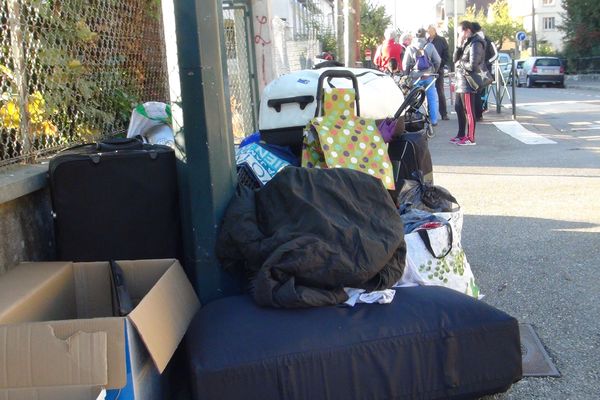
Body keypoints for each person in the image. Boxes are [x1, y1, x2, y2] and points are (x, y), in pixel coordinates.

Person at [451, 21, 485, 146]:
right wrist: (458, 46)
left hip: (468, 82)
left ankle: (471, 138)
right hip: (461, 81)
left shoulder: (476, 43)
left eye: (460, 32)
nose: (459, 34)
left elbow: (473, 65)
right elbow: (454, 59)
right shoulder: (466, 42)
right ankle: (461, 135)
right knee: (459, 108)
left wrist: (460, 64)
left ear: (467, 30)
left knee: (469, 111)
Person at [402, 28, 441, 126]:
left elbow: (405, 64)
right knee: (432, 98)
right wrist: (433, 71)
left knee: (415, 98)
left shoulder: (410, 48)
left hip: (415, 77)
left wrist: (407, 76)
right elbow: (438, 60)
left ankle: (416, 119)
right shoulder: (430, 46)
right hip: (428, 76)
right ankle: (434, 120)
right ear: (425, 35)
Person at [427, 25, 450, 120]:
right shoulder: (426, 41)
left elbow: (446, 54)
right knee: (428, 92)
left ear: (434, 31)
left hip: (439, 69)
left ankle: (444, 113)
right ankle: (430, 114)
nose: (429, 33)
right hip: (428, 70)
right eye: (428, 31)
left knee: (440, 91)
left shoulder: (441, 40)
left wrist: (441, 64)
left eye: (430, 31)